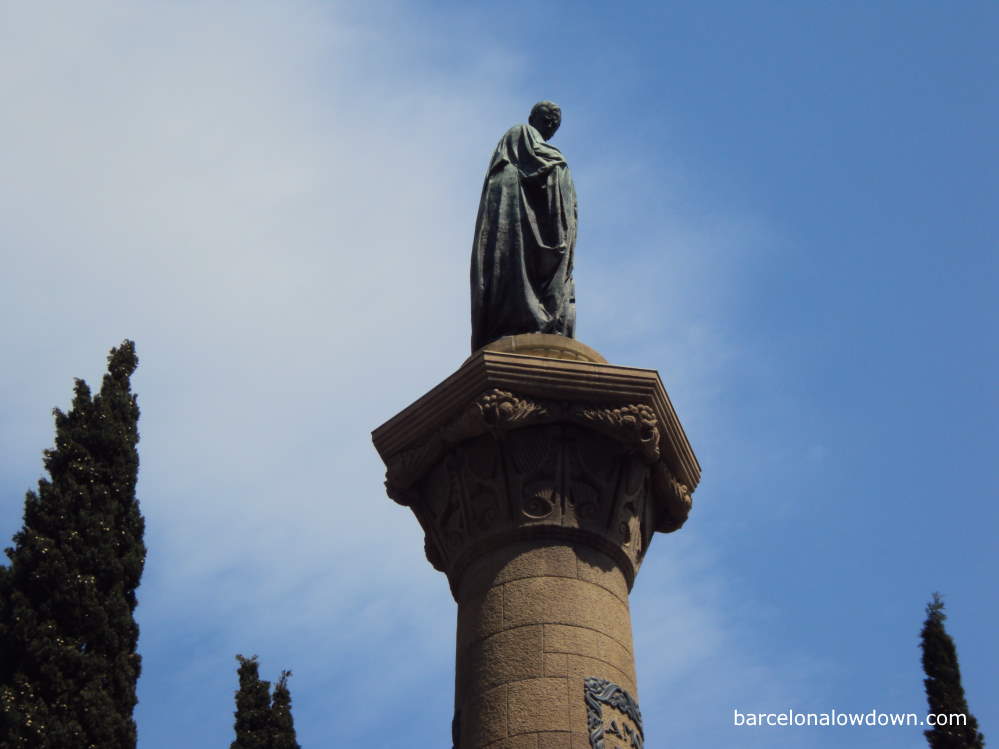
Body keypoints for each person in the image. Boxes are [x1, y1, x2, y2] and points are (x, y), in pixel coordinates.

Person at [470, 101, 578, 352]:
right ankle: (528, 317)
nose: (551, 125)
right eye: (549, 120)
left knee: (521, 269)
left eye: (554, 122)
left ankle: (538, 316)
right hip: (517, 220)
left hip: (531, 226)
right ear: (536, 119)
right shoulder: (521, 136)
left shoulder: (553, 162)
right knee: (514, 267)